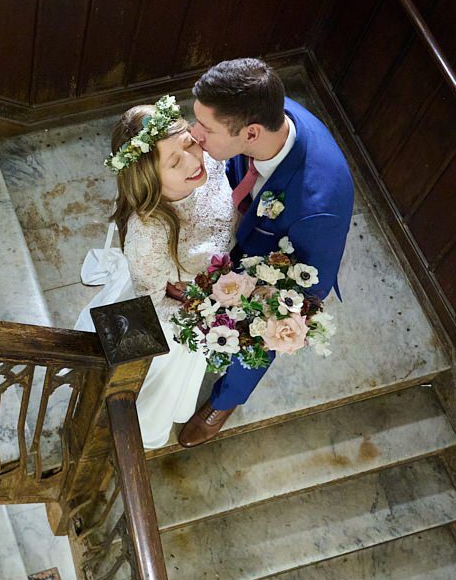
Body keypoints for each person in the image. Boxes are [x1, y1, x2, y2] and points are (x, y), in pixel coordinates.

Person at [178, 58, 354, 447]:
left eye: (205, 128)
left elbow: (302, 297)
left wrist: (260, 305)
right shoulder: (267, 111)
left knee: (263, 333)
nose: (194, 134)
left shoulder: (318, 207)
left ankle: (226, 401)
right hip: (242, 220)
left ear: (252, 133)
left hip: (276, 266)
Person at [79, 94, 236, 448]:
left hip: (212, 289)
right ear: (150, 179)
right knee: (158, 383)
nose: (193, 162)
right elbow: (154, 304)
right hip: (179, 313)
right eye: (174, 162)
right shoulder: (147, 235)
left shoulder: (209, 161)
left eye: (189, 145)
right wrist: (209, 307)